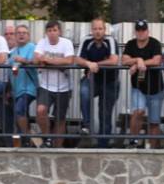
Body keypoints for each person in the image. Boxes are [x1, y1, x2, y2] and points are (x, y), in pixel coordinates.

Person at [76, 17, 120, 148]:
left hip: (110, 81)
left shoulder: (110, 40)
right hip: (92, 79)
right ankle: (87, 125)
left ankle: (103, 145)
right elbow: (77, 59)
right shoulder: (86, 40)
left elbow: (114, 60)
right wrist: (88, 63)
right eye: (95, 29)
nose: (98, 31)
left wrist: (95, 64)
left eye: (100, 28)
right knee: (84, 92)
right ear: (91, 30)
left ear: (105, 30)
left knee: (105, 113)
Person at [121, 20, 164, 149]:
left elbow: (157, 61)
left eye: (143, 30)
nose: (141, 33)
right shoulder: (130, 44)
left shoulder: (155, 43)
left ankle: (153, 149)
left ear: (147, 31)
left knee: (154, 121)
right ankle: (133, 142)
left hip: (156, 88)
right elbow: (124, 60)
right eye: (138, 30)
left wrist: (139, 64)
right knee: (138, 112)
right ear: (135, 32)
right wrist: (137, 60)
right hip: (138, 87)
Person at [34, 20, 75, 148]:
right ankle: (47, 138)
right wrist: (57, 62)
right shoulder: (42, 42)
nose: (52, 33)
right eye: (49, 31)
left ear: (59, 32)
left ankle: (58, 148)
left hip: (64, 87)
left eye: (54, 30)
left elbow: (69, 60)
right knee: (41, 110)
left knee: (60, 118)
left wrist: (47, 60)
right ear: (46, 32)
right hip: (45, 85)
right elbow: (36, 59)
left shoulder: (66, 43)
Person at [8, 24, 38, 146]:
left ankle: (31, 138)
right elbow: (10, 71)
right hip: (16, 89)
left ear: (28, 36)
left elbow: (35, 63)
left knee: (19, 110)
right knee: (22, 115)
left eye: (24, 33)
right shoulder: (12, 52)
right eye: (18, 33)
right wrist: (8, 89)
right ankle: (31, 142)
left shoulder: (33, 48)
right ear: (15, 36)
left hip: (29, 88)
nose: (21, 35)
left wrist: (23, 61)